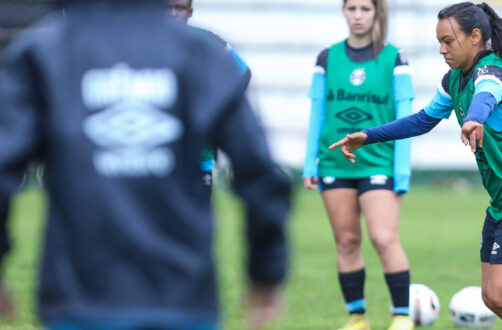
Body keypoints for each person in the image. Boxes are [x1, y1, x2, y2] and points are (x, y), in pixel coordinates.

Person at [0, 0, 291, 329]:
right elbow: (259, 170)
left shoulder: (46, 50)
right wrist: (267, 271)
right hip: (183, 299)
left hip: (79, 299)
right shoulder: (200, 53)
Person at [330, 3, 502, 329]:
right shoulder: (454, 81)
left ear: (475, 37)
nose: (441, 49)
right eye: (439, 41)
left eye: (448, 41)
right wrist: (368, 135)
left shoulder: (492, 73)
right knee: (492, 296)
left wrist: (474, 119)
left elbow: (486, 96)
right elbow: (422, 120)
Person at [302, 0, 415, 329]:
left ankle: (402, 317)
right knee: (347, 241)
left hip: (379, 163)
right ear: (343, 11)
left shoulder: (395, 58)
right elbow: (317, 112)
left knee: (383, 238)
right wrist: (311, 163)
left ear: (376, 12)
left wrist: (402, 171)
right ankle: (357, 318)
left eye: (365, 8)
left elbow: (405, 119)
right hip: (334, 165)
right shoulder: (326, 58)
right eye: (352, 8)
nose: (358, 15)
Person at [168, 0, 251, 188]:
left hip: (198, 156)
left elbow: (242, 72)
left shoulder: (207, 41)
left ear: (190, 11)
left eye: (179, 8)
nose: (173, 13)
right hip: (155, 157)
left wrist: (214, 107)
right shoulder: (143, 41)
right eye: (167, 7)